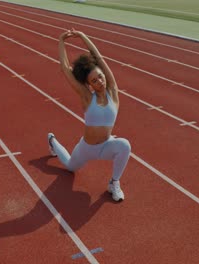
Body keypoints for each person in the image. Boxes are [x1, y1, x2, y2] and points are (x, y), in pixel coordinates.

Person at [47, 29, 131, 202]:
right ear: (88, 84)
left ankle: (114, 183)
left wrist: (83, 36)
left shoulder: (113, 92)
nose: (100, 81)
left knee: (124, 145)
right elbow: (65, 68)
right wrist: (62, 40)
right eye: (94, 81)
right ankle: (53, 142)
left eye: (100, 77)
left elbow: (98, 57)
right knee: (70, 167)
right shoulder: (86, 97)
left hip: (106, 146)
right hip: (86, 148)